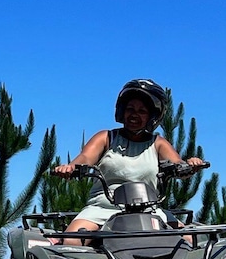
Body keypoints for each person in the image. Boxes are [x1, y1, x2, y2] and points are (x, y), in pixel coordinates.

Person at [51, 79, 204, 245]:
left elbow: (177, 164)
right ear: (122, 111)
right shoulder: (106, 138)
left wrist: (190, 166)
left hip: (149, 211)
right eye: (130, 109)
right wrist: (70, 168)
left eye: (142, 111)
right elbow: (85, 158)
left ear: (152, 116)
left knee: (189, 240)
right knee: (71, 241)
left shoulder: (158, 143)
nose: (134, 114)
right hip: (103, 209)